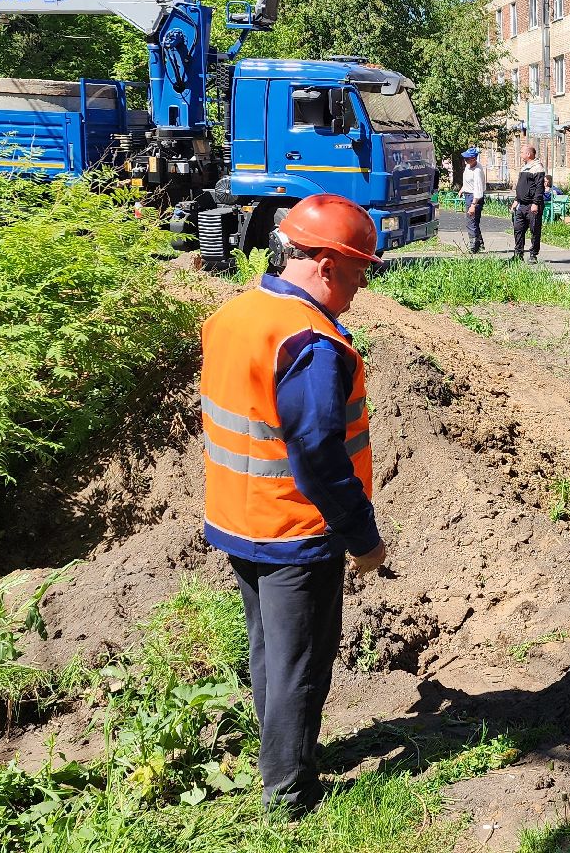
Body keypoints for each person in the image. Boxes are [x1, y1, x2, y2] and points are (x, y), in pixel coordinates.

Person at [199, 193, 388, 816]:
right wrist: (362, 536)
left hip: (239, 517)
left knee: (271, 654)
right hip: (294, 530)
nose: (361, 286)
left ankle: (283, 757)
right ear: (327, 264)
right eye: (359, 270)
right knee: (302, 664)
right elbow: (318, 456)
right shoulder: (311, 343)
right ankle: (289, 794)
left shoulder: (237, 313)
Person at [511, 145, 551, 262]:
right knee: (518, 229)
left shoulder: (537, 168)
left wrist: (535, 203)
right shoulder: (524, 168)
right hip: (521, 205)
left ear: (528, 154)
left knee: (534, 230)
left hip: (532, 205)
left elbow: (539, 187)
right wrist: (516, 200)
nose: (520, 154)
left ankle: (533, 254)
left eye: (522, 152)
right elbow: (521, 187)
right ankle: (518, 254)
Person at [460, 147, 487, 253]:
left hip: (474, 197)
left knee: (471, 222)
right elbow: (467, 179)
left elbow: (478, 190)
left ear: (474, 158)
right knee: (474, 222)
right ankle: (480, 244)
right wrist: (463, 188)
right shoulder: (468, 166)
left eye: (467, 158)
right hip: (468, 194)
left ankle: (473, 247)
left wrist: (473, 205)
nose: (465, 160)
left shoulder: (477, 171)